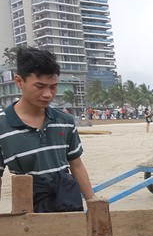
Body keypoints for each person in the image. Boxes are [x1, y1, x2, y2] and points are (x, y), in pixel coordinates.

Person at [0, 47, 94, 212]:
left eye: (53, 87)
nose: (48, 94)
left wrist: (93, 204)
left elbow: (76, 165)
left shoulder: (65, 121)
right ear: (19, 82)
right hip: (28, 206)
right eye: (40, 86)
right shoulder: (3, 126)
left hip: (67, 201)